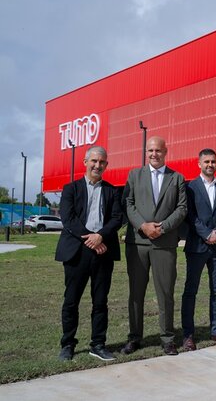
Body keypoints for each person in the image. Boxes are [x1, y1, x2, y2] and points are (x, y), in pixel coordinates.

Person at [56, 146, 122, 361]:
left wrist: (100, 236)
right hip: (77, 253)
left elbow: (117, 218)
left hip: (103, 252)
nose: (97, 165)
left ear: (106, 165)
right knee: (71, 301)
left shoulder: (113, 191)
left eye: (102, 162)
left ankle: (98, 344)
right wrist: (91, 240)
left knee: (100, 301)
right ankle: (68, 344)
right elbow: (68, 218)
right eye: (94, 161)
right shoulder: (70, 189)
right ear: (85, 162)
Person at [122, 136, 187, 356]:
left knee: (166, 293)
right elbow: (128, 204)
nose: (154, 154)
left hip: (164, 243)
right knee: (136, 293)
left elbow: (181, 208)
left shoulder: (176, 178)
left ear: (165, 151)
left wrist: (163, 227)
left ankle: (167, 338)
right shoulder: (134, 175)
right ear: (146, 152)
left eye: (158, 150)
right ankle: (134, 337)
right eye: (150, 150)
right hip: (138, 243)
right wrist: (143, 226)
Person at [181, 148, 216, 350]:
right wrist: (206, 234)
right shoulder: (190, 187)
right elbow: (190, 215)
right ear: (199, 164)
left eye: (213, 161)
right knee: (191, 291)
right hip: (197, 246)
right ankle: (188, 334)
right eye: (206, 162)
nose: (210, 165)